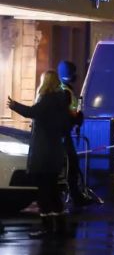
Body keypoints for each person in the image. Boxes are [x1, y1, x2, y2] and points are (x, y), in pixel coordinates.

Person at [7, 70, 73, 238]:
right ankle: (60, 226)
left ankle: (47, 227)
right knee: (52, 190)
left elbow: (32, 112)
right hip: (55, 151)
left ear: (45, 82)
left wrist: (14, 105)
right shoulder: (61, 102)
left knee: (43, 192)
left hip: (43, 153)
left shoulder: (47, 100)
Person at [57, 61, 94, 209]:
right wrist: (78, 118)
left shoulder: (60, 89)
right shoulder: (66, 92)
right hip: (63, 135)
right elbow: (69, 114)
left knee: (69, 166)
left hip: (59, 134)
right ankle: (75, 197)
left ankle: (73, 195)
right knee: (72, 165)